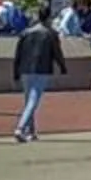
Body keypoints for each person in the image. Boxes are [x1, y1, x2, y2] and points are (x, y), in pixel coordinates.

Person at [9, 9, 63, 141]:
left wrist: (16, 71)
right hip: (42, 69)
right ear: (48, 18)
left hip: (25, 69)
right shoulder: (50, 34)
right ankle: (20, 128)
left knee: (28, 100)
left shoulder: (25, 33)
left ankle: (31, 131)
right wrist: (62, 66)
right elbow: (57, 52)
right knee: (33, 100)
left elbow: (18, 54)